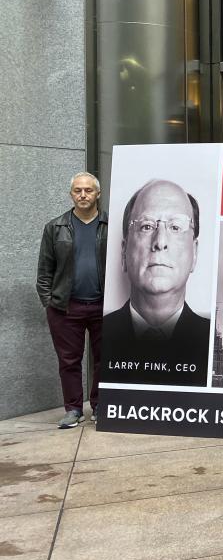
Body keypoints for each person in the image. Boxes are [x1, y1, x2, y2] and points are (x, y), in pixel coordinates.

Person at [102, 179, 211, 387]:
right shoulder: (103, 333)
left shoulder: (212, 341)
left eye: (175, 227)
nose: (160, 242)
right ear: (124, 252)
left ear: (194, 253)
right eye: (146, 226)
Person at [37, 172, 108, 428]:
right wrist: (50, 302)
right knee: (69, 361)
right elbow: (44, 271)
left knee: (104, 358)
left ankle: (100, 405)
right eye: (77, 190)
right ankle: (74, 409)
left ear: (98, 194)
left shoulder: (110, 225)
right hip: (66, 308)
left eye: (88, 190)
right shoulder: (55, 227)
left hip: (103, 305)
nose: (83, 195)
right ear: (71, 194)